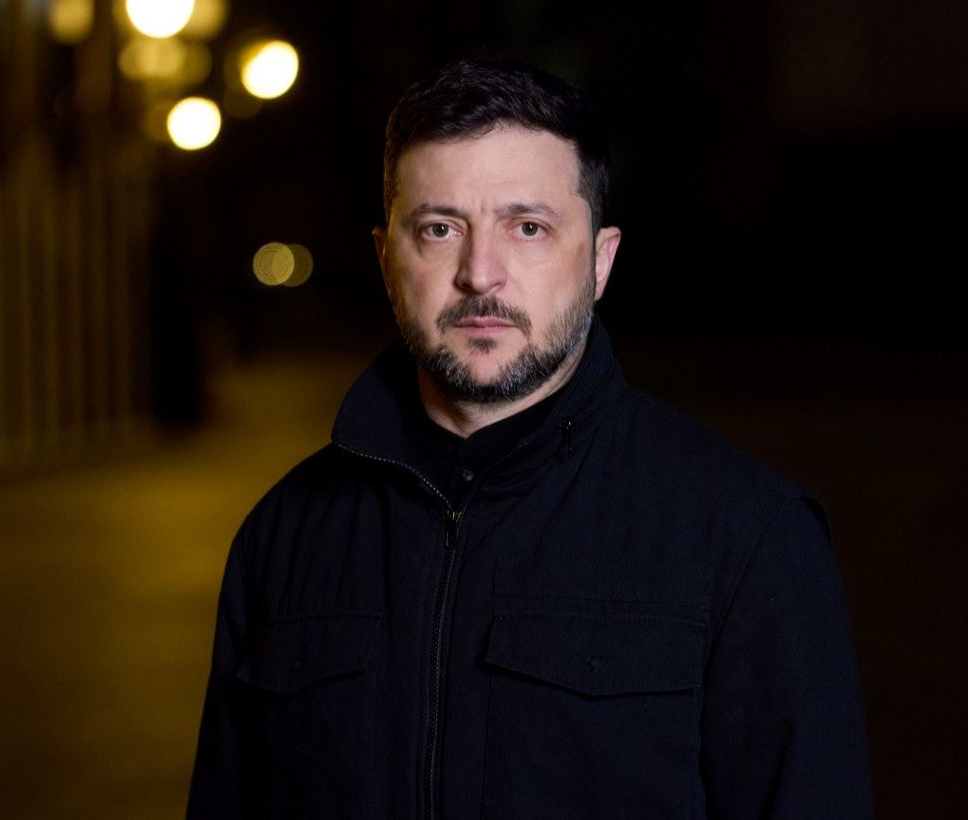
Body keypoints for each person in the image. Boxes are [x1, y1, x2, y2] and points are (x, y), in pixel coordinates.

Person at [187, 59, 873, 819]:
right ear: (387, 261)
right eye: (440, 229)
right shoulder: (284, 536)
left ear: (601, 261)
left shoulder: (745, 535)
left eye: (528, 228)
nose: (481, 274)